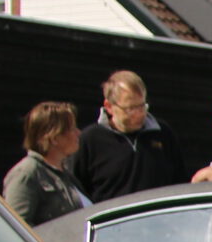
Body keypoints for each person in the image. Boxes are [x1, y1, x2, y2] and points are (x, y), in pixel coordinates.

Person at [72, 70, 183, 202]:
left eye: (142, 106)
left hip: (157, 214)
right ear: (109, 106)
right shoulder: (90, 140)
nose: (139, 114)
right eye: (130, 109)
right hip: (112, 215)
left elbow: (179, 181)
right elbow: (76, 192)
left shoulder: (162, 134)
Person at [3, 101, 89, 227]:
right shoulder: (26, 173)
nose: (78, 133)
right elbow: (16, 226)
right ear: (54, 138)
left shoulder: (65, 175)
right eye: (72, 129)